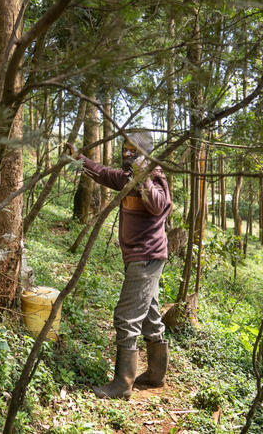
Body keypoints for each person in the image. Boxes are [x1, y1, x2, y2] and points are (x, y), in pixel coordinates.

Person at [66, 131, 172, 399]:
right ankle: (156, 375)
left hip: (146, 257)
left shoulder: (155, 177)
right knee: (149, 315)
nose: (127, 154)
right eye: (124, 149)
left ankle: (123, 384)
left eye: (133, 151)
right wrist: (78, 159)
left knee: (126, 318)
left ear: (145, 155)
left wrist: (142, 176)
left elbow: (159, 205)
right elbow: (102, 173)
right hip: (139, 257)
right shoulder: (126, 178)